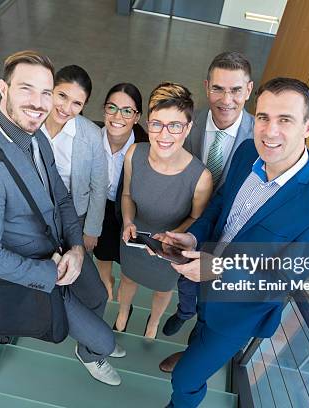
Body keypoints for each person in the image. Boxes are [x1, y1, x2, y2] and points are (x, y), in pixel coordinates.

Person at [161, 77, 309, 407]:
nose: (269, 131)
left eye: (285, 120)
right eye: (263, 117)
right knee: (198, 332)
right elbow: (221, 205)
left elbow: (282, 281)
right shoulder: (248, 150)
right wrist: (194, 233)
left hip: (238, 310)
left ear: (308, 126)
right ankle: (194, 355)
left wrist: (217, 270)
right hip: (203, 278)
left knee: (185, 380)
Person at [0, 51, 124, 386]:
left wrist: (77, 248)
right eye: (26, 89)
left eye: (46, 92)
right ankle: (91, 351)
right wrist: (52, 272)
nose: (39, 103)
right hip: (40, 271)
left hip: (64, 248)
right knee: (104, 340)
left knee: (99, 297)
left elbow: (61, 198)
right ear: (3, 89)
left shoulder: (36, 139)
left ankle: (91, 339)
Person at [162, 51, 256, 338]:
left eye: (236, 90)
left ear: (249, 90)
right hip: (191, 221)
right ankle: (184, 311)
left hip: (231, 230)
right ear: (207, 87)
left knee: (215, 292)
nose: (226, 100)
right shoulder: (190, 123)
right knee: (186, 279)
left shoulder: (260, 137)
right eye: (218, 88)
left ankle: (200, 325)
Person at [115, 82, 213, 339]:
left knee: (162, 290)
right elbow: (126, 194)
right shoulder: (135, 153)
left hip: (170, 247)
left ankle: (154, 322)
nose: (164, 134)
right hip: (133, 236)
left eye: (175, 126)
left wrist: (171, 236)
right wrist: (127, 221)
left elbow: (196, 218)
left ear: (188, 128)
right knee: (127, 279)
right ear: (148, 123)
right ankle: (123, 311)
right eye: (157, 124)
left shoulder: (201, 177)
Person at [41, 65, 108, 253]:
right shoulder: (32, 122)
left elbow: (99, 186)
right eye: (62, 96)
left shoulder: (91, 135)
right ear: (50, 90)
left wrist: (92, 231)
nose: (66, 109)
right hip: (33, 212)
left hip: (74, 215)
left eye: (76, 103)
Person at [93, 83, 148, 301]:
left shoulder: (146, 148)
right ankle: (106, 284)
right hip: (101, 208)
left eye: (127, 111)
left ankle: (125, 302)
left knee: (129, 264)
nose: (118, 116)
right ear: (104, 109)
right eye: (112, 108)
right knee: (103, 254)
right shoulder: (92, 139)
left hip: (132, 212)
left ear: (137, 117)